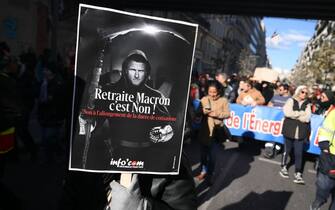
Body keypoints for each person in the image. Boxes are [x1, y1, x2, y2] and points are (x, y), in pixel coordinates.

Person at [77, 49, 174, 171]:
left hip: (146, 156)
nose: (137, 75)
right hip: (116, 153)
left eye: (141, 71)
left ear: (146, 73)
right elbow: (95, 122)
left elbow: (168, 126)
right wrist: (86, 121)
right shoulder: (110, 91)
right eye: (133, 70)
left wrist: (163, 132)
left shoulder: (155, 96)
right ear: (125, 70)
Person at [196, 81, 230, 182]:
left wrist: (216, 114)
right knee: (203, 156)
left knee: (212, 157)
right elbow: (197, 113)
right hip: (204, 132)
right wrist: (202, 111)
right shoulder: (204, 99)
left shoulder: (223, 100)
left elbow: (228, 114)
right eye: (210, 91)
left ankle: (209, 175)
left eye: (214, 92)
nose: (212, 94)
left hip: (216, 133)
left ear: (218, 91)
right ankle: (203, 171)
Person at [279, 85, 311, 184]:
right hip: (289, 130)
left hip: (301, 132)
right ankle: (283, 167)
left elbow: (307, 118)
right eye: (302, 92)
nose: (304, 94)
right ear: (298, 91)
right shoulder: (290, 101)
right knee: (287, 150)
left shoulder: (307, 104)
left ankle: (298, 173)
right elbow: (287, 113)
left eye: (306, 93)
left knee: (299, 153)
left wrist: (296, 115)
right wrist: (300, 114)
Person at [310, 99, 335, 210]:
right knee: (324, 184)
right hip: (331, 155)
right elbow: (326, 129)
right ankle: (319, 200)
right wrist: (325, 147)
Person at [264, 84, 290, 159]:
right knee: (271, 135)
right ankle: (268, 151)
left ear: (286, 90)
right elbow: (269, 104)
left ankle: (276, 150)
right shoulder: (275, 96)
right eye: (279, 89)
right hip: (273, 121)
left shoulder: (290, 100)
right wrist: (271, 106)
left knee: (279, 137)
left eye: (281, 90)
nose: (279, 91)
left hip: (283, 122)